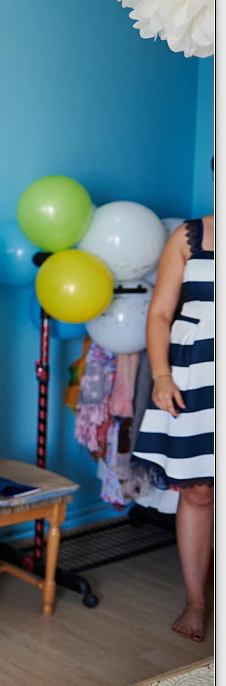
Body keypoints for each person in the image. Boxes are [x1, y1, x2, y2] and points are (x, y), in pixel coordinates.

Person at [133, 214, 214, 643]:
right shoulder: (189, 235)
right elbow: (161, 313)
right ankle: (196, 602)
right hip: (195, 375)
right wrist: (162, 376)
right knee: (199, 491)